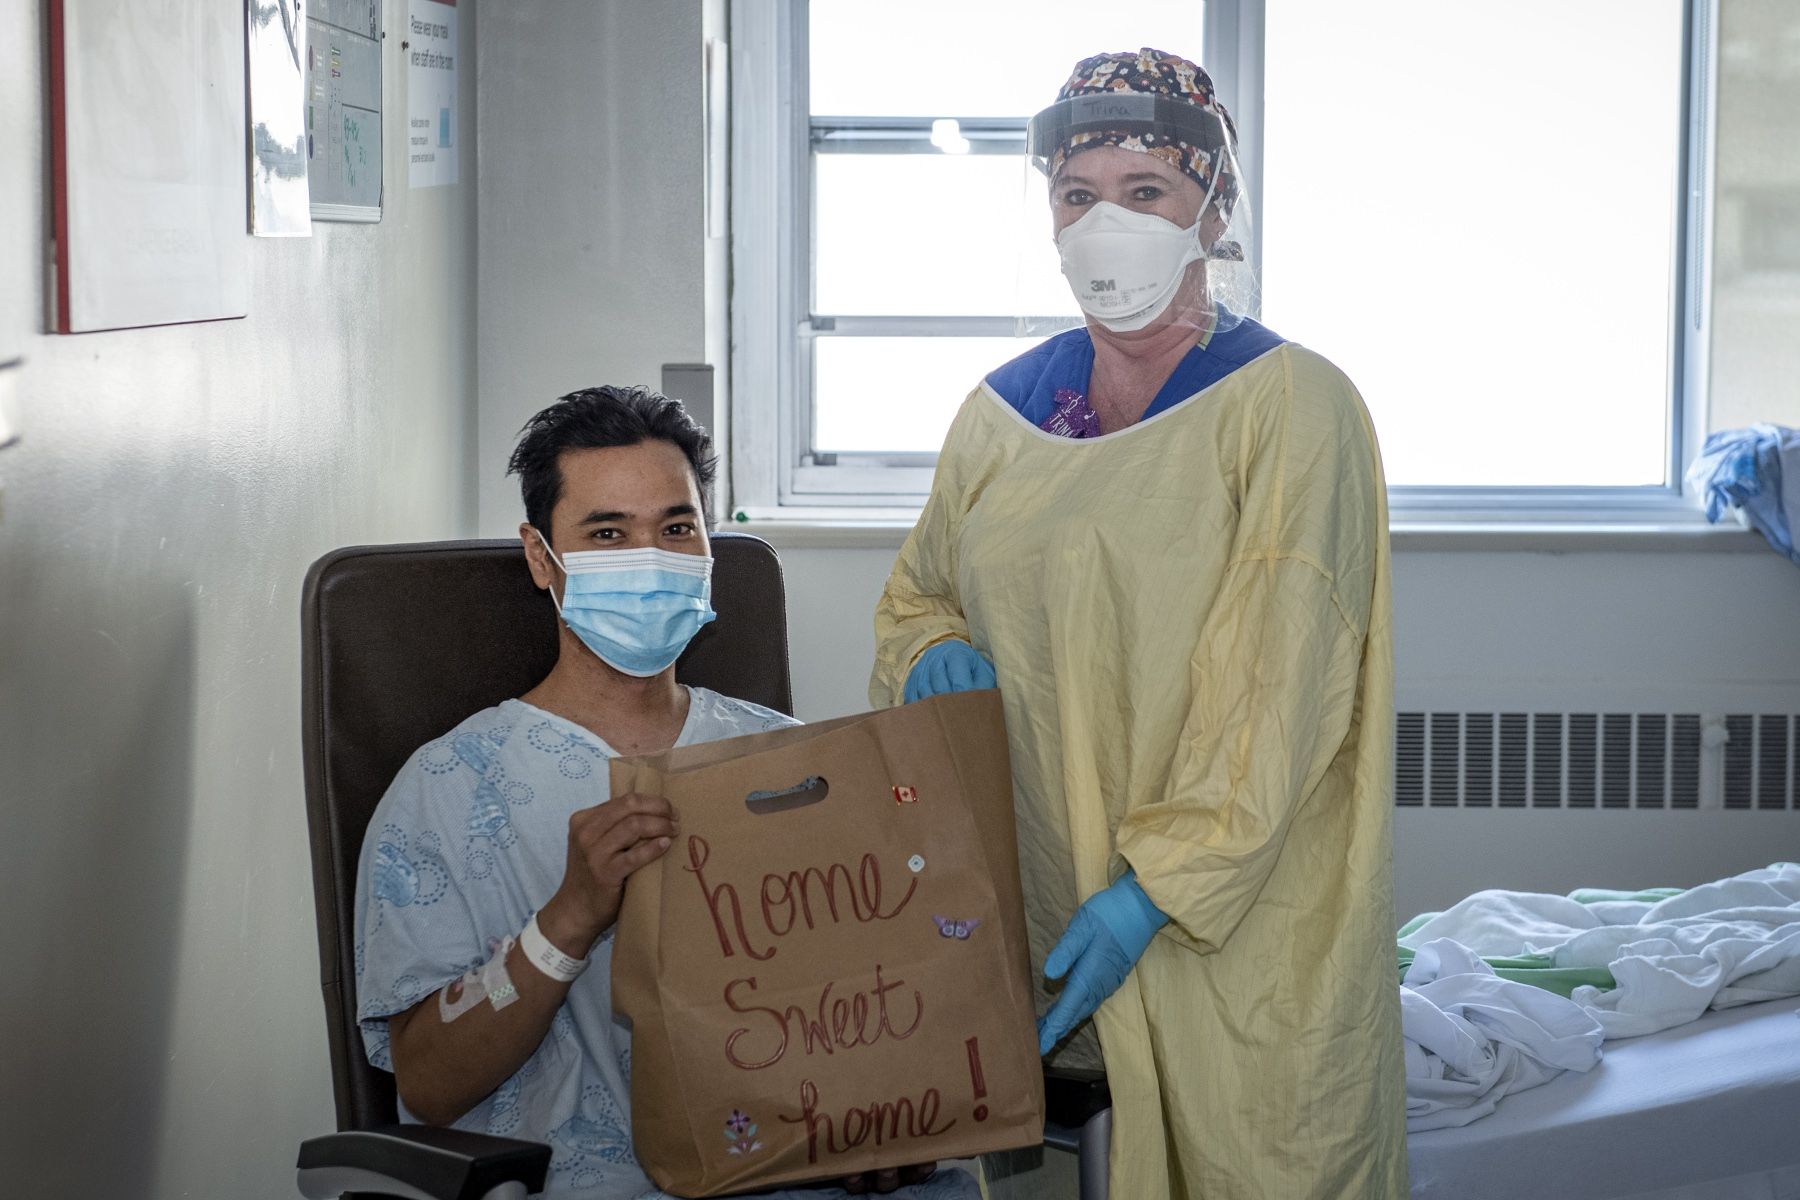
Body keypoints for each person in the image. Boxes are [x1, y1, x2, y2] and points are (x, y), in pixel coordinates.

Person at [870, 50, 1407, 1197]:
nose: (1104, 226)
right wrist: (926, 650)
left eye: (1146, 193)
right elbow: (919, 592)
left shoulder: (1289, 406)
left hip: (1231, 934)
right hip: (1041, 914)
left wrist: (1157, 887)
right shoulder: (1003, 411)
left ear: (1212, 206)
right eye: (1078, 196)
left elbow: (1280, 681)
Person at [355, 386, 973, 1199]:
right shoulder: (446, 791)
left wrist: (884, 1126)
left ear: (709, 547)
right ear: (543, 558)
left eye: (676, 527)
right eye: (608, 533)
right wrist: (567, 919)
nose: (648, 557)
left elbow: (860, 1017)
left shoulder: (787, 763)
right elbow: (428, 1086)